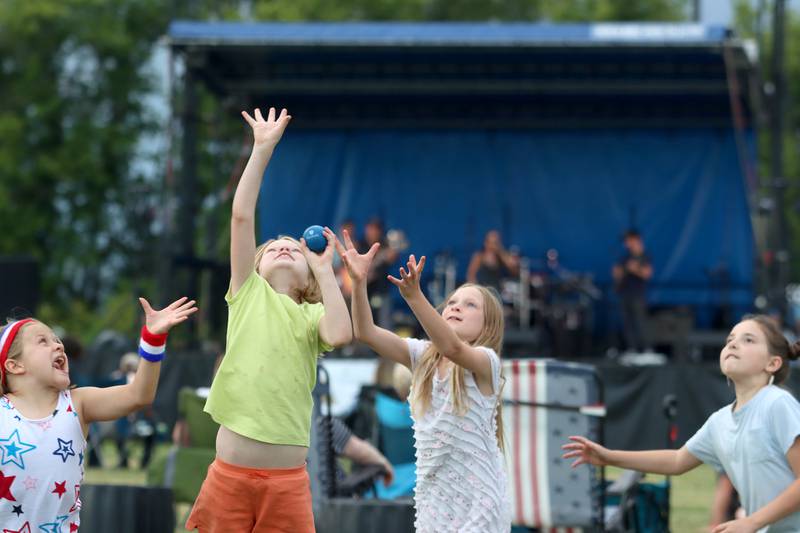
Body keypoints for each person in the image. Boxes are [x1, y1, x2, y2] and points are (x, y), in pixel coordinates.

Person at [186, 107, 352, 532]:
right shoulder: (247, 293)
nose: (283, 247)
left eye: (294, 249)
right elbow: (241, 216)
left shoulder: (313, 313)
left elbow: (341, 331)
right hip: (229, 475)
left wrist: (324, 269)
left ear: (308, 276)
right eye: (273, 246)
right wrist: (262, 150)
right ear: (254, 267)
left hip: (287, 483)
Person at [337, 231, 511, 533]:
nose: (455, 306)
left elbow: (453, 348)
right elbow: (365, 331)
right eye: (452, 301)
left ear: (489, 325)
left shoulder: (486, 363)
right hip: (435, 500)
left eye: (470, 305)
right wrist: (360, 282)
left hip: (479, 502)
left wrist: (415, 298)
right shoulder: (423, 356)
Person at [563, 314, 800, 532]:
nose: (733, 344)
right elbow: (677, 460)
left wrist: (752, 521)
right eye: (730, 339)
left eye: (748, 340)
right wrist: (608, 457)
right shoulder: (720, 421)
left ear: (773, 363)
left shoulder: (776, 403)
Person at [0, 296, 196, 530]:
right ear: (14, 365)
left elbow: (139, 395)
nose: (58, 345)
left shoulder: (77, 403)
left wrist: (153, 338)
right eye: (43, 341)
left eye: (57, 340)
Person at [316, 416, 394, 497]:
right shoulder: (322, 425)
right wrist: (385, 465)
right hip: (337, 503)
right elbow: (360, 451)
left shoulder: (320, 426)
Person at [611, 229, 653, 353]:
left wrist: (634, 269)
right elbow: (617, 274)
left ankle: (647, 349)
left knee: (640, 321)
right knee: (627, 323)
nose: (626, 243)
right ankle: (632, 349)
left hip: (637, 294)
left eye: (629, 240)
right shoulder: (625, 257)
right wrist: (618, 273)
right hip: (624, 293)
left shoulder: (644, 255)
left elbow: (647, 274)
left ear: (636, 240)